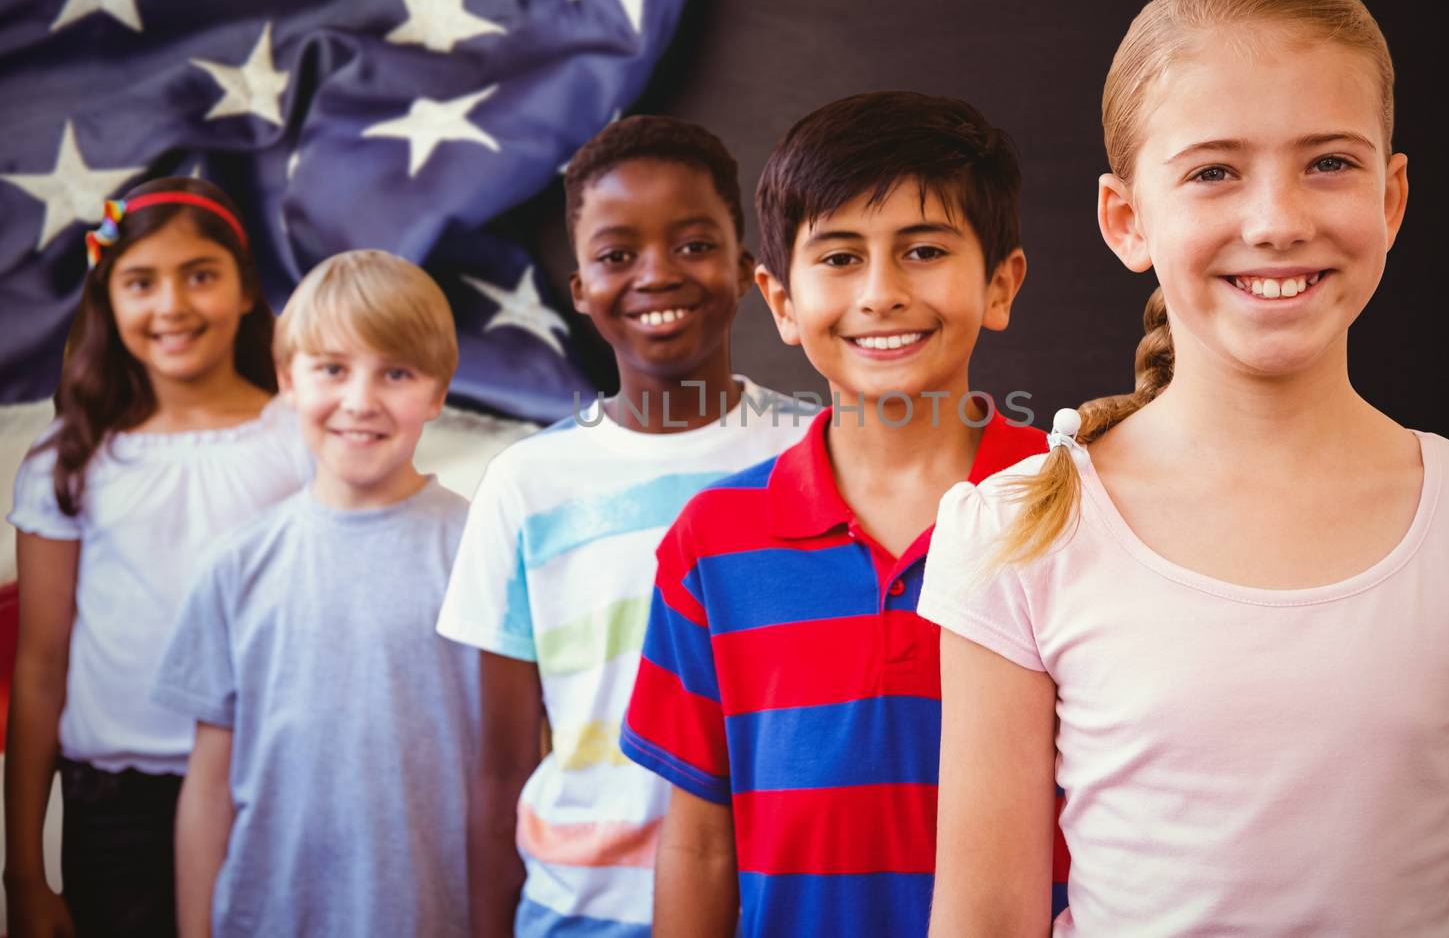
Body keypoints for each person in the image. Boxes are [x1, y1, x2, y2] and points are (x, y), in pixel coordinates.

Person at [921, 0, 1449, 936]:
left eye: (1328, 161)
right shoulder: (1012, 528)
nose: (1276, 220)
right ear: (1127, 219)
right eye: (1213, 171)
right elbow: (983, 917)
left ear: (1392, 197)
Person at [620, 91, 1067, 938]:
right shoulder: (711, 544)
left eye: (924, 249)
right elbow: (701, 847)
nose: (881, 293)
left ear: (1001, 282)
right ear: (782, 301)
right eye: (838, 257)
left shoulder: (1072, 507)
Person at [436, 116, 811, 937]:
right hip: (577, 913)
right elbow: (500, 769)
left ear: (749, 270)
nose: (656, 275)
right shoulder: (526, 484)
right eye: (616, 254)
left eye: (692, 243)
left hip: (779, 904)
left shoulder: (819, 453)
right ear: (580, 289)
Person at [4, 178, 310, 937]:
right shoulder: (66, 460)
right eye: (141, 282)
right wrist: (26, 877)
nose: (171, 306)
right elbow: (42, 664)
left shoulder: (303, 437)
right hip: (115, 808)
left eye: (200, 274)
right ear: (109, 300)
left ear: (244, 289)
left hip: (274, 787)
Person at [151, 250, 476, 937]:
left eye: (395, 371)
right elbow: (208, 788)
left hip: (438, 916)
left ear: (439, 391)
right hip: (267, 917)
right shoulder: (238, 565)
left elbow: (519, 759)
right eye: (332, 367)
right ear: (287, 378)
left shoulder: (481, 550)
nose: (360, 400)